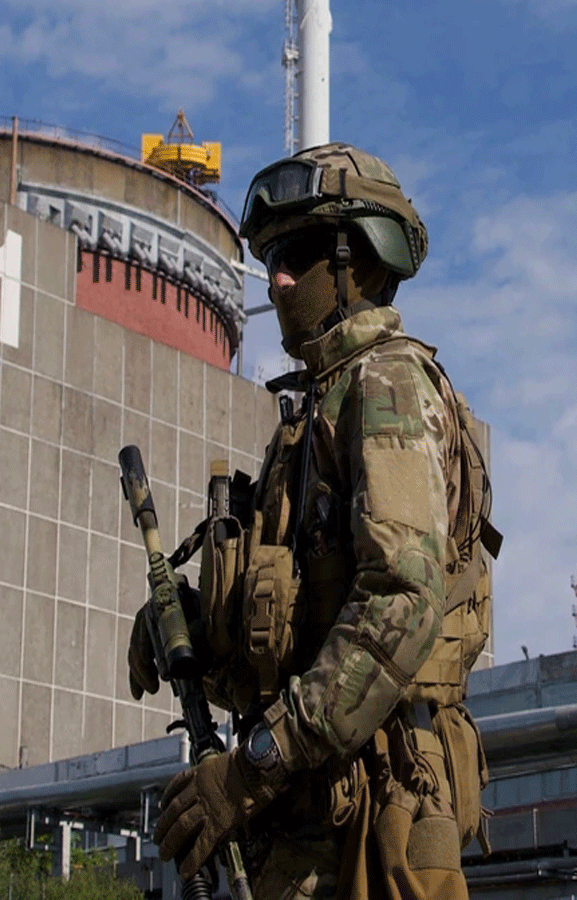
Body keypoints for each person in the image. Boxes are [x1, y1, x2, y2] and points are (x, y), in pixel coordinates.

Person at [128, 143, 500, 900]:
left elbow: (400, 601)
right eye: (270, 257)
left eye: (296, 252)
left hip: (370, 823)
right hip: (309, 826)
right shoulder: (314, 414)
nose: (278, 277)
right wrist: (193, 631)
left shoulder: (386, 384)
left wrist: (252, 764)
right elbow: (299, 632)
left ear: (356, 260)